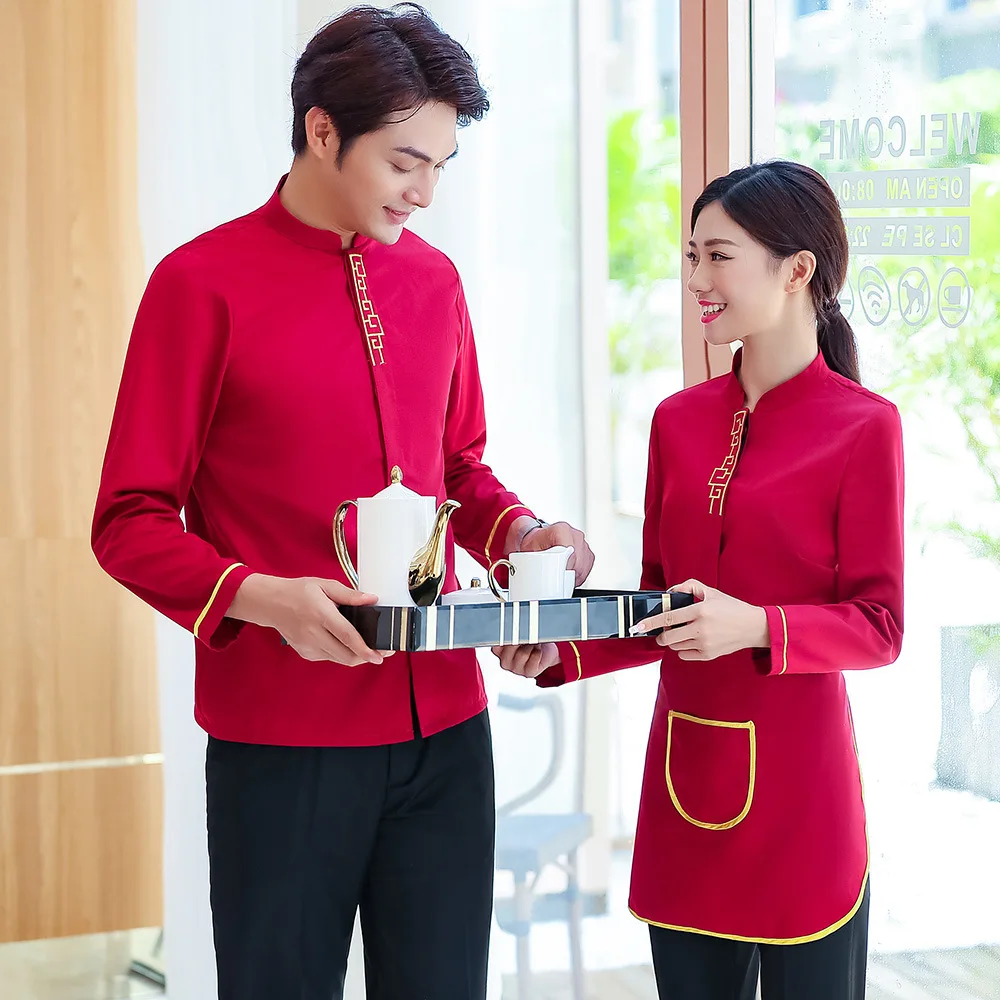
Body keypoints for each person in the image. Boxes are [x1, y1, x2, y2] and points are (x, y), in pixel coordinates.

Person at [92, 6, 594, 999]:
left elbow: (459, 470)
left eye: (442, 166)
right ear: (322, 130)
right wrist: (266, 597)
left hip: (445, 733)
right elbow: (129, 519)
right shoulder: (199, 286)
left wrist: (525, 535)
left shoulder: (437, 283)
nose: (425, 191)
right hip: (283, 747)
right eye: (406, 161)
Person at [495, 160, 904, 1000]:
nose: (695, 280)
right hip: (686, 800)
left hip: (804, 808)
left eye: (718, 256)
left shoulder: (865, 429)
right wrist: (559, 653)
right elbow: (657, 603)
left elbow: (880, 626)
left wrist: (755, 627)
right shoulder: (677, 423)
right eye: (690, 257)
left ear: (798, 270)